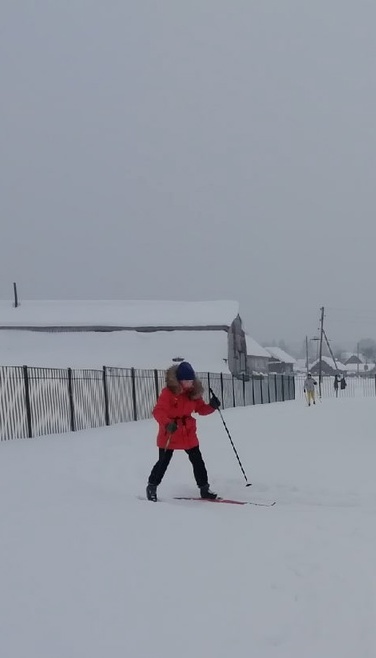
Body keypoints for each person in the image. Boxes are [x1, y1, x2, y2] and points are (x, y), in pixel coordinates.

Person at [146, 361, 221, 502]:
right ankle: (152, 486)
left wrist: (212, 406)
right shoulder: (168, 393)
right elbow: (158, 411)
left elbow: (201, 409)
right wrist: (167, 423)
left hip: (187, 431)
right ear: (179, 380)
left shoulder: (194, 392)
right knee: (163, 461)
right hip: (171, 431)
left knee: (197, 459)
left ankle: (204, 488)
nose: (189, 383)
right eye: (186, 381)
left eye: (191, 380)